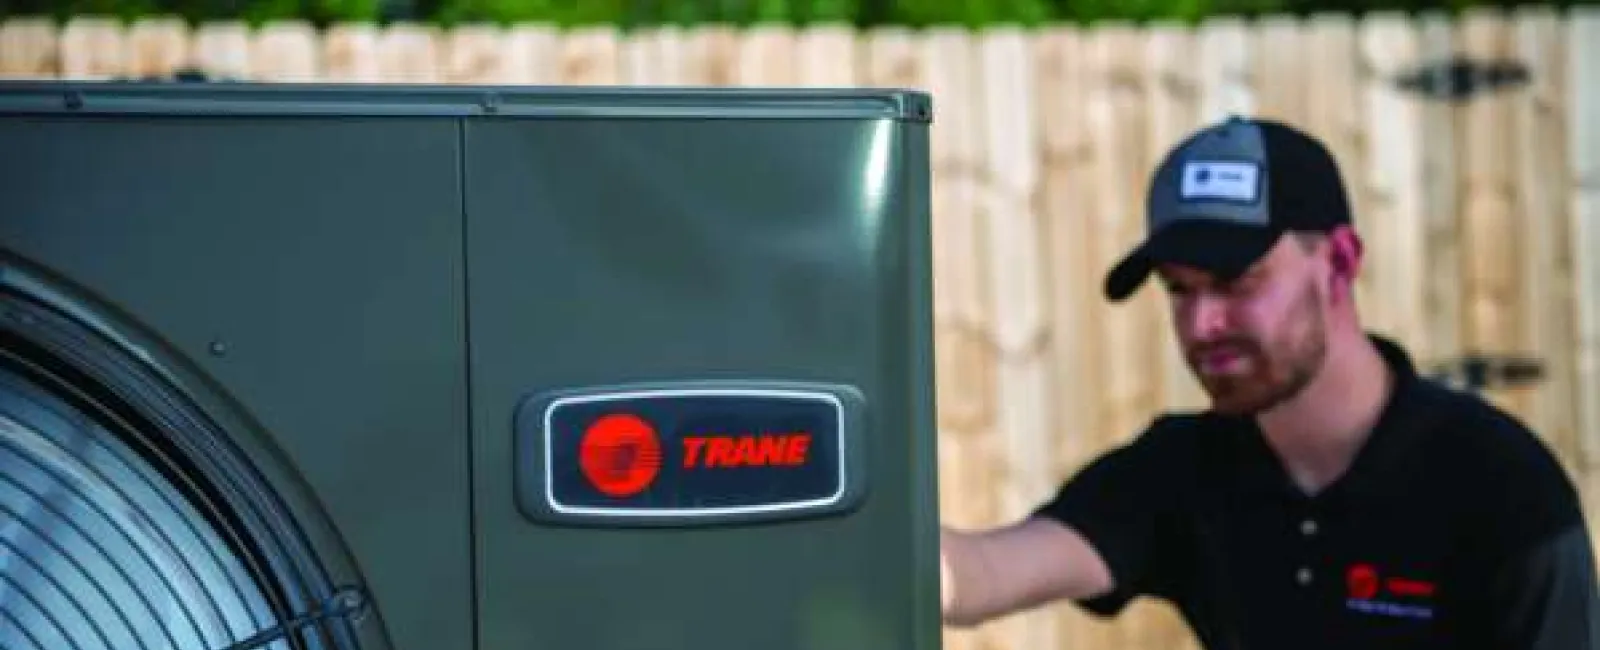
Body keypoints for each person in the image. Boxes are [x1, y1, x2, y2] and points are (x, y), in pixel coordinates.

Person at [937, 115, 1600, 649]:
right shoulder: (1184, 469)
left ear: (1339, 262)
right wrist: (854, 531)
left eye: (1235, 282)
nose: (1202, 323)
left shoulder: (1498, 482)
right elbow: (988, 573)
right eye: (1178, 290)